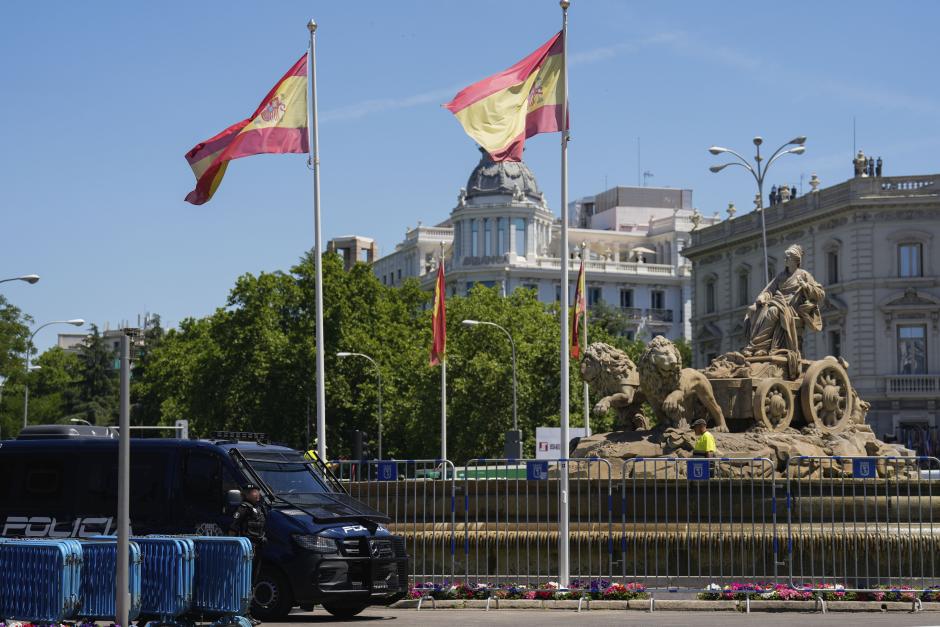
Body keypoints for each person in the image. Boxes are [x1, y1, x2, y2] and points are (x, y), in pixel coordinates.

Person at [743, 244, 825, 365]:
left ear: (796, 260)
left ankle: (757, 346)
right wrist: (762, 297)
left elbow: (820, 294)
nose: (785, 260)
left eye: (788, 258)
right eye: (785, 257)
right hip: (778, 303)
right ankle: (759, 348)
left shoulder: (803, 275)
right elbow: (769, 290)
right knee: (756, 310)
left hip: (793, 308)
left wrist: (806, 286)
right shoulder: (781, 276)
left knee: (773, 311)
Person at [230, 483, 266, 625]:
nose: (257, 494)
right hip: (246, 550)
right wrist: (234, 549)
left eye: (257, 491)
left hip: (257, 548)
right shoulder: (243, 508)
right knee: (244, 582)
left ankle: (248, 613)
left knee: (252, 582)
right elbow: (233, 529)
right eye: (253, 491)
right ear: (245, 494)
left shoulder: (259, 508)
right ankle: (243, 614)